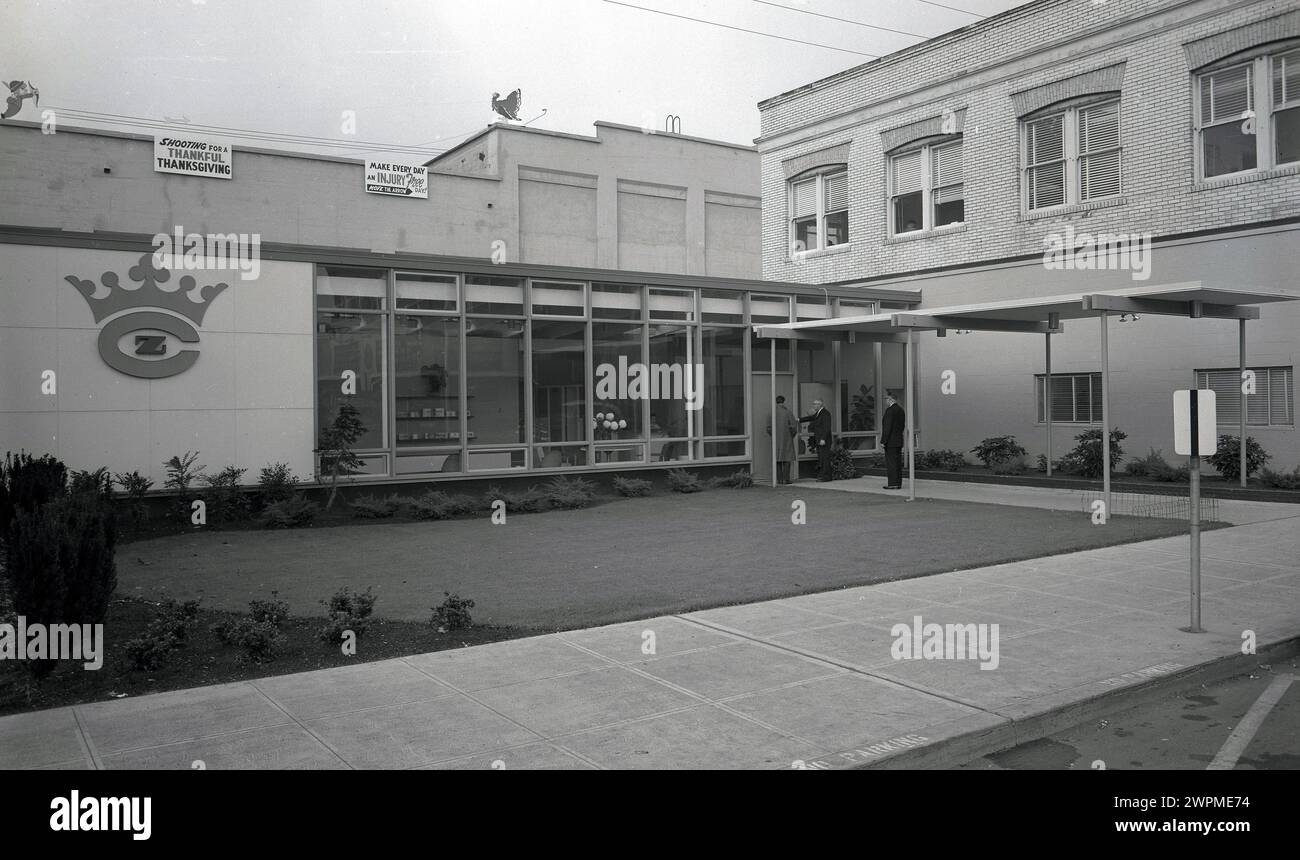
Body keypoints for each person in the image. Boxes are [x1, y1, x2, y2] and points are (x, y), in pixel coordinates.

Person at [765, 395, 799, 484]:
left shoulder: (771, 412)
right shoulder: (788, 412)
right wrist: (791, 435)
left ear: (776, 402)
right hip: (787, 439)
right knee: (787, 459)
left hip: (776, 440)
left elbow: (768, 428)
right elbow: (794, 427)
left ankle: (779, 479)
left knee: (777, 459)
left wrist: (774, 436)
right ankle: (786, 479)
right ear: (783, 401)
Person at [800, 398, 833, 482]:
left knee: (824, 458)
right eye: (813, 403)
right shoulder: (819, 413)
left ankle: (825, 477)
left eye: (815, 404)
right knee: (822, 458)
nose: (813, 405)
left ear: (820, 405)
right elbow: (811, 418)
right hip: (819, 439)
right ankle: (824, 475)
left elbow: (827, 427)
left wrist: (823, 439)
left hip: (823, 440)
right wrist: (799, 420)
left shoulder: (825, 413)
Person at [881, 390, 905, 489]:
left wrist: (883, 441)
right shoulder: (900, 410)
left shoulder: (889, 411)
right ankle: (898, 483)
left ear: (891, 399)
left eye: (886, 399)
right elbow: (902, 426)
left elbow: (887, 427)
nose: (885, 401)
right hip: (898, 440)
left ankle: (892, 484)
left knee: (891, 463)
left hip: (890, 441)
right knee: (897, 463)